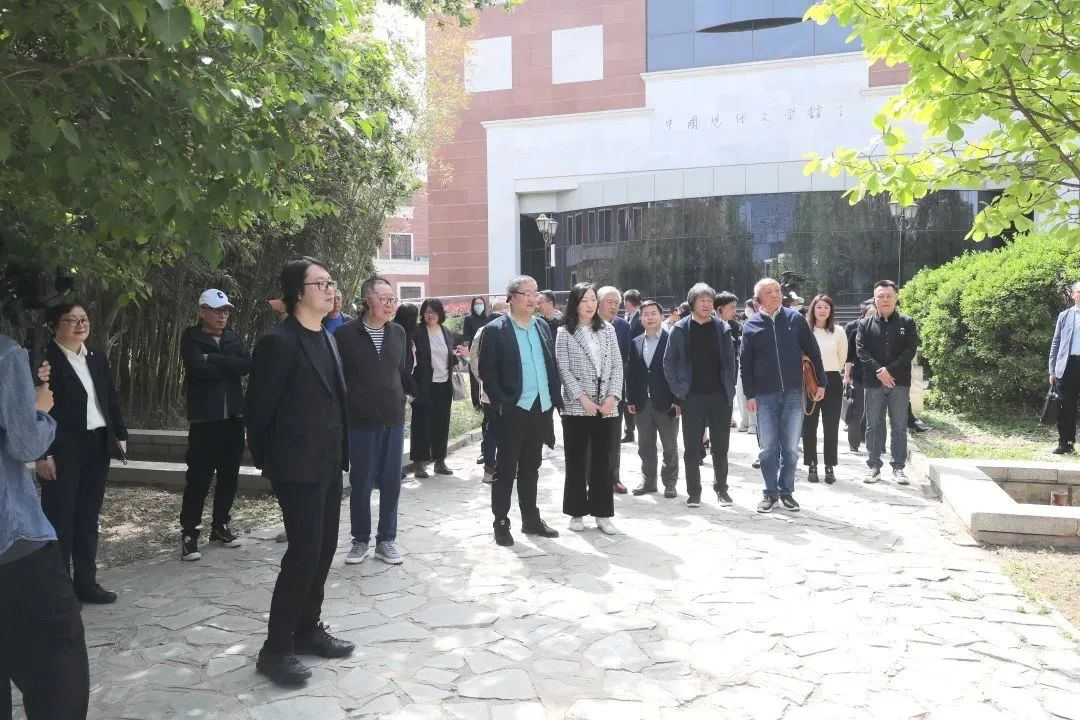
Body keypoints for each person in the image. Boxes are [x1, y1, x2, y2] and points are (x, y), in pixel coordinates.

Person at [245, 257, 353, 686]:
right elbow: (258, 412)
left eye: (331, 282)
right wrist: (273, 465)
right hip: (296, 468)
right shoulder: (278, 342)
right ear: (296, 293)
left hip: (328, 462)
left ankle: (308, 629)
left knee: (324, 550)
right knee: (303, 554)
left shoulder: (326, 336)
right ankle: (275, 649)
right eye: (320, 284)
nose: (330, 290)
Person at [1, 336, 89, 720]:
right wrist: (38, 406)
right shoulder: (5, 353)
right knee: (59, 678)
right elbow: (25, 444)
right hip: (14, 547)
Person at [35, 302, 127, 604]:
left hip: (97, 444)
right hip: (62, 449)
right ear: (54, 325)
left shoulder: (95, 355)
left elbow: (109, 396)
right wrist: (42, 453)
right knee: (60, 518)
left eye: (84, 319)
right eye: (71, 320)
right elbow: (35, 409)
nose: (80, 325)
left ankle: (86, 583)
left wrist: (120, 434)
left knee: (88, 517)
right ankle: (60, 591)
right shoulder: (44, 360)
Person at [478, 275, 562, 547]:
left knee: (531, 467)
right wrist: (502, 402)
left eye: (535, 293)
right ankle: (501, 522)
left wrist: (554, 399)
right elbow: (487, 371)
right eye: (526, 293)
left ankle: (531, 519)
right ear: (511, 297)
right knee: (505, 469)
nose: (532, 298)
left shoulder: (542, 326)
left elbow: (550, 363)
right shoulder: (496, 330)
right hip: (512, 410)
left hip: (540, 407)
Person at [338, 277, 413, 567]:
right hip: (360, 421)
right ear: (367, 301)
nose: (391, 305)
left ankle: (386, 541)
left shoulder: (398, 332)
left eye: (393, 300)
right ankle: (360, 540)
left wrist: (405, 397)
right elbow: (339, 377)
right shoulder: (345, 334)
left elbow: (401, 371)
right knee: (362, 482)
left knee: (392, 482)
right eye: (384, 299)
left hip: (393, 418)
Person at [741, 278, 826, 513]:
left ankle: (786, 491)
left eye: (777, 290)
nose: (775, 295)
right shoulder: (751, 326)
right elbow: (745, 364)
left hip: (793, 393)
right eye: (769, 292)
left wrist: (822, 382)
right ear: (758, 299)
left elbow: (813, 351)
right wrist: (750, 395)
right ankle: (770, 493)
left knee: (790, 448)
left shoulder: (795, 319)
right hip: (764, 395)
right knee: (768, 448)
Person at [179, 289, 251, 561]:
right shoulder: (191, 337)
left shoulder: (233, 338)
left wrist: (215, 358)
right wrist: (228, 366)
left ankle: (220, 525)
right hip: (205, 420)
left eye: (226, 311)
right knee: (198, 478)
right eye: (217, 310)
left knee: (229, 476)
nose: (222, 316)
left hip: (233, 418)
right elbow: (197, 369)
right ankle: (189, 533)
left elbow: (247, 365)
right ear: (202, 312)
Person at [555, 283, 623, 534]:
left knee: (603, 461)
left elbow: (617, 365)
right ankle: (576, 512)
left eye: (593, 299)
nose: (590, 305)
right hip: (577, 406)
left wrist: (613, 396)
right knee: (576, 460)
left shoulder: (608, 330)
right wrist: (582, 398)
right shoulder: (565, 332)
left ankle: (602, 513)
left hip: (606, 405)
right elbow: (563, 369)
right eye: (584, 300)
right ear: (575, 303)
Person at [663, 283, 737, 508]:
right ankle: (694, 492)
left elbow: (731, 362)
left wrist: (730, 387)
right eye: (701, 300)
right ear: (692, 303)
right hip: (692, 396)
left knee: (720, 447)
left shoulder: (722, 328)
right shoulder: (680, 329)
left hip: (719, 396)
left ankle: (721, 489)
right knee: (692, 448)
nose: (706, 304)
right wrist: (678, 390)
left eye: (709, 301)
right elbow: (669, 362)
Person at [856, 279, 919, 485]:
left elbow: (909, 350)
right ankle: (874, 466)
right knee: (873, 425)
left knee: (899, 425)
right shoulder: (864, 324)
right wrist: (879, 371)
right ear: (874, 299)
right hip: (873, 383)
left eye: (889, 296)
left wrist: (889, 370)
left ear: (896, 297)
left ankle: (898, 468)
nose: (885, 299)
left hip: (899, 382)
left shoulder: (907, 322)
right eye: (880, 296)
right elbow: (861, 351)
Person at [626, 300, 680, 498]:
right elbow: (632, 373)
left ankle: (670, 483)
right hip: (642, 403)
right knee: (645, 446)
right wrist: (631, 399)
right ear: (640, 319)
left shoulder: (672, 339)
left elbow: (679, 371)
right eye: (645, 314)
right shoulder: (636, 342)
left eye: (653, 313)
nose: (650, 317)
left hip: (667, 402)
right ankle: (649, 481)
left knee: (669, 446)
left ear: (661, 316)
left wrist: (678, 401)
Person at [802, 294, 848, 485]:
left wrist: (829, 376)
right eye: (819, 307)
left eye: (826, 307)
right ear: (813, 309)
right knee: (809, 425)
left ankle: (829, 466)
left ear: (831, 310)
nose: (822, 311)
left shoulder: (839, 331)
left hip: (832, 380)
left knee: (831, 426)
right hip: (809, 380)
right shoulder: (805, 330)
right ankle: (812, 465)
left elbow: (842, 357)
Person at [409, 298, 457, 479]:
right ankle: (418, 462)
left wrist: (459, 357)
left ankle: (439, 460)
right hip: (424, 385)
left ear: (440, 313)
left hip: (444, 384)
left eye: (433, 311)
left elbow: (448, 355)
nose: (430, 315)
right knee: (421, 423)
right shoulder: (417, 332)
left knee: (441, 423)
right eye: (426, 311)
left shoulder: (445, 332)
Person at [470, 300, 509, 484]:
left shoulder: (482, 331)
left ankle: (492, 468)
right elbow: (474, 358)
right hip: (498, 392)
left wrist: (481, 379)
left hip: (491, 391)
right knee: (497, 429)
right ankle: (495, 467)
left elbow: (473, 358)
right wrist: (482, 379)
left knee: (492, 429)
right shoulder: (498, 331)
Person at [597, 286, 632, 488]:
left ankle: (614, 478)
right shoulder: (587, 324)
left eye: (616, 303)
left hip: (616, 391)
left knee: (613, 438)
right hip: (592, 392)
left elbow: (625, 360)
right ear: (598, 302)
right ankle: (592, 478)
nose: (613, 306)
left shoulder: (623, 326)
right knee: (592, 439)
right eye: (609, 302)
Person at [1049, 281, 1080, 454]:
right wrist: (1052, 370)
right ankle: (1065, 443)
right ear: (1073, 295)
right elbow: (1056, 343)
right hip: (1066, 367)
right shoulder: (1064, 316)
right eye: (1079, 291)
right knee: (1066, 407)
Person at [844, 300, 873, 452]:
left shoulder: (885, 332)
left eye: (875, 315)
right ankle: (854, 442)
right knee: (858, 409)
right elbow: (849, 357)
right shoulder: (855, 332)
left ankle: (876, 445)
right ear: (863, 315)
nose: (872, 317)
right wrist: (846, 375)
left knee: (876, 412)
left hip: (878, 378)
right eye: (869, 314)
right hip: (860, 377)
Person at [463, 296, 492, 410]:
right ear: (473, 306)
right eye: (477, 303)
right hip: (473, 353)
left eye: (481, 303)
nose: (479, 305)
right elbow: (466, 337)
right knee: (474, 378)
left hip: (486, 352)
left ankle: (486, 401)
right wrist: (465, 355)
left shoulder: (488, 318)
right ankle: (476, 403)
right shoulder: (469, 319)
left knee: (485, 376)